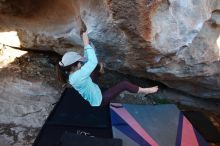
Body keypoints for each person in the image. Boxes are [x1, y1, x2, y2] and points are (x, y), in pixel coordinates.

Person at [57, 31, 158, 106]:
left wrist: (87, 45)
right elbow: (92, 61)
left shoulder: (72, 73)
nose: (81, 63)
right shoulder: (78, 75)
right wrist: (87, 44)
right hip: (99, 101)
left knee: (92, 67)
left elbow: (87, 61)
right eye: (79, 62)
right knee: (124, 84)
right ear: (73, 66)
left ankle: (100, 72)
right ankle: (145, 90)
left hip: (90, 85)